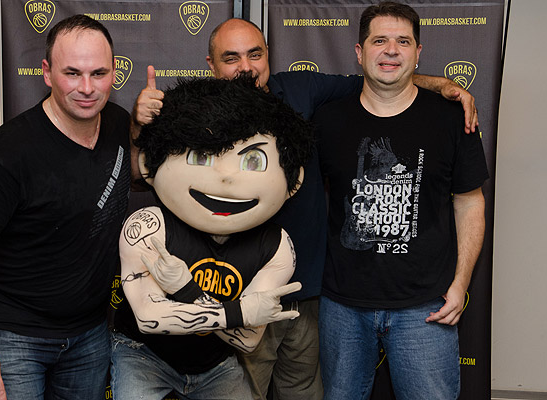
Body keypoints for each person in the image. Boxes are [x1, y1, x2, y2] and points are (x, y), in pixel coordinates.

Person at [130, 17, 479, 400]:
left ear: (268, 55)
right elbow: (143, 170)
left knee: (303, 392)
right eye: (231, 58)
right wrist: (138, 123)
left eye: (255, 54)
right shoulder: (194, 112)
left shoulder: (301, 90)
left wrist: (443, 85)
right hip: (237, 292)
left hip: (309, 293)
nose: (246, 67)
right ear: (210, 64)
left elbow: (379, 77)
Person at [0, 15, 130, 400]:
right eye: (72, 73)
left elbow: (138, 175)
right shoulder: (11, 150)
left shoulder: (117, 123)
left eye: (98, 73)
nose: (86, 88)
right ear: (46, 73)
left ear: (114, 72)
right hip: (15, 338)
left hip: (89, 334)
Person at [312, 2, 489, 399]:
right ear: (359, 52)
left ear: (418, 52)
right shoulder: (327, 120)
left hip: (425, 307)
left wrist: (460, 284)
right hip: (342, 307)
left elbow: (469, 203)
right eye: (379, 41)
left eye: (403, 42)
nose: (391, 50)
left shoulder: (452, 118)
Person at [112, 75, 312, 399]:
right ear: (148, 165)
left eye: (252, 160)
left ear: (294, 183)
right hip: (144, 354)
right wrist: (239, 312)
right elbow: (149, 317)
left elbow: (248, 339)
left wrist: (185, 289)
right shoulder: (149, 225)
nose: (226, 177)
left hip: (216, 365)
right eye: (202, 156)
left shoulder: (277, 246)